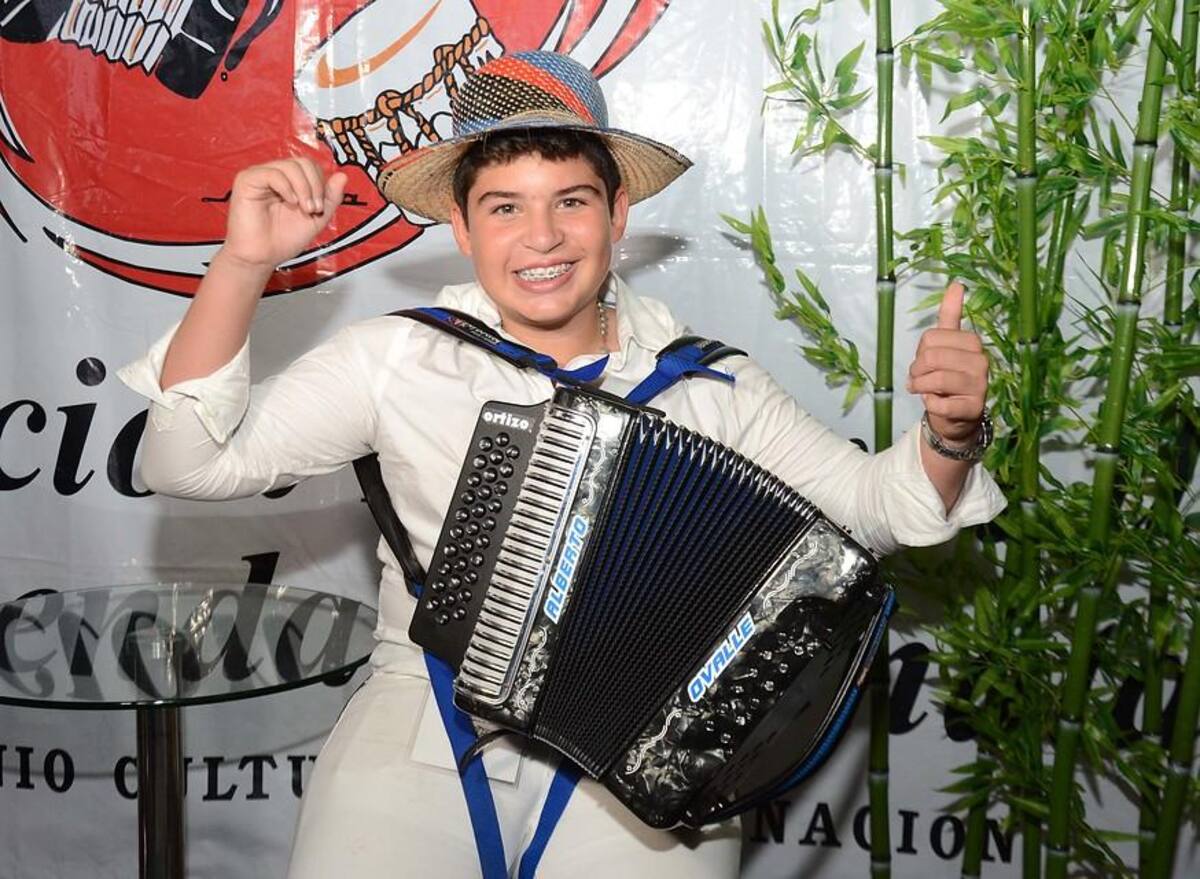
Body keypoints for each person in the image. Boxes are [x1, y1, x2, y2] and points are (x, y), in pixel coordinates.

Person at [119, 51, 1004, 879]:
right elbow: (187, 462)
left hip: (648, 746)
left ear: (618, 214)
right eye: (504, 207)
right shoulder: (396, 357)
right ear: (462, 227)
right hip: (426, 717)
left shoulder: (712, 382)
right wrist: (242, 264)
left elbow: (877, 507)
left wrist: (952, 433)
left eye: (571, 201)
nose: (540, 237)